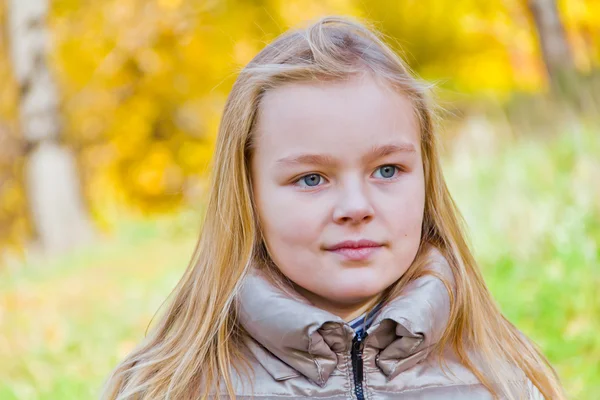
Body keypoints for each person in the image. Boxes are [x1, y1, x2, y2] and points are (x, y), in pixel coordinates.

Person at [101, 15, 565, 400]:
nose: (356, 207)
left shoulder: (501, 376)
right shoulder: (173, 384)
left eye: (386, 170)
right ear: (248, 196)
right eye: (311, 179)